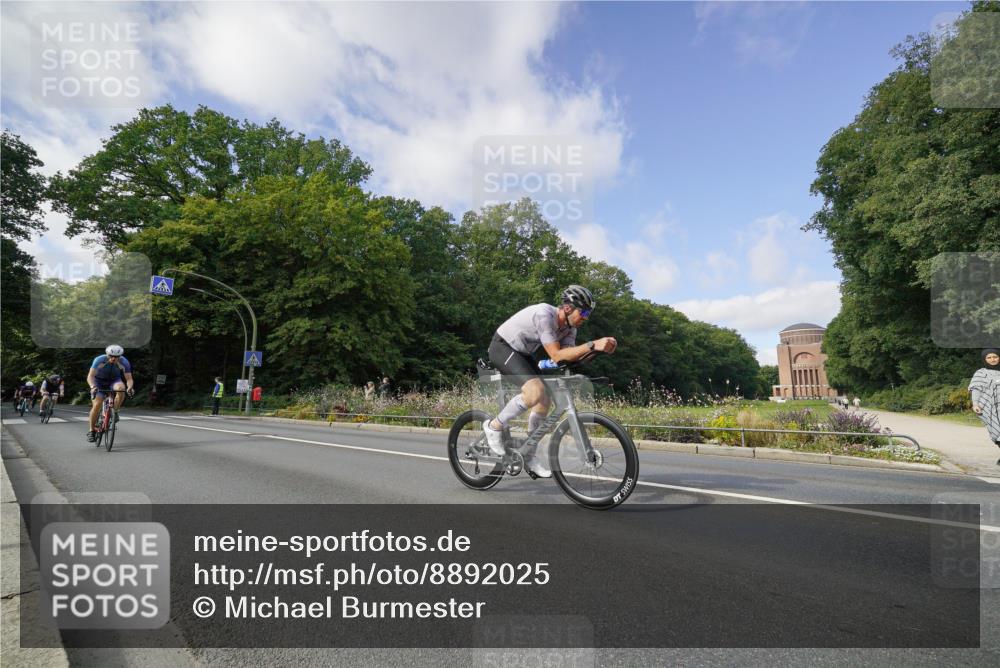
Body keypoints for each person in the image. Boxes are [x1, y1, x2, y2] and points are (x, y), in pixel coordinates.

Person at [482, 285, 617, 478]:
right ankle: (493, 426)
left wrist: (598, 350)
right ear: (568, 308)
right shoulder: (545, 314)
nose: (586, 317)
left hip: (523, 353)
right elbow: (556, 353)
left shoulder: (570, 329)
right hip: (502, 346)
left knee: (544, 401)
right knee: (535, 392)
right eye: (584, 312)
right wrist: (593, 344)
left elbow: (564, 358)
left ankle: (528, 454)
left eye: (589, 313)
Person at [86, 345, 135, 442]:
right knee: (97, 405)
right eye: (111, 356)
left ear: (120, 356)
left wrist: (130, 387)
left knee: (121, 388)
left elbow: (129, 379)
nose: (113, 358)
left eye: (116, 357)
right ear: (107, 354)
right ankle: (91, 431)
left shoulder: (124, 362)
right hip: (98, 382)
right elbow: (90, 376)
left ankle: (115, 411)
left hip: (114, 381)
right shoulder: (99, 360)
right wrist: (92, 386)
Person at [970, 348, 1000, 462]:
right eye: (989, 357)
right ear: (985, 359)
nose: (992, 359)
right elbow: (976, 389)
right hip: (990, 407)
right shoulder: (981, 373)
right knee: (996, 432)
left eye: (995, 357)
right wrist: (975, 404)